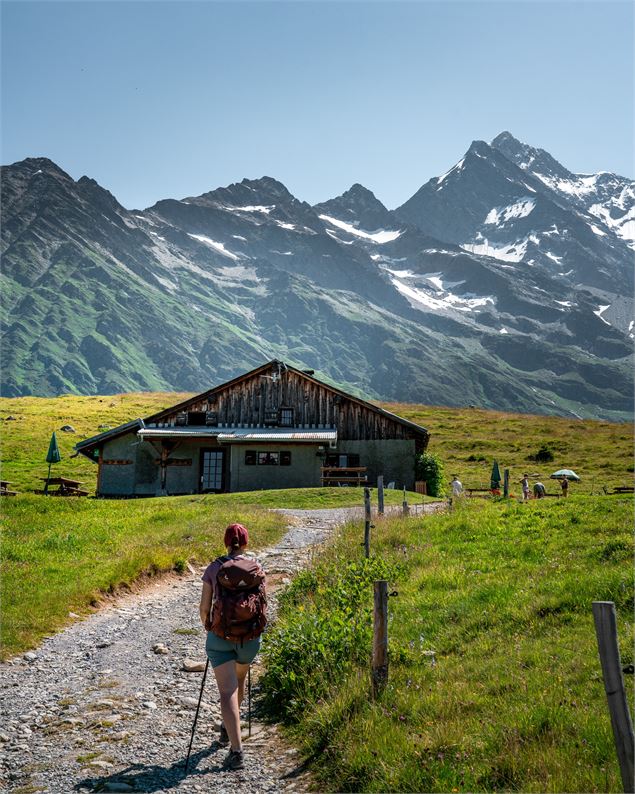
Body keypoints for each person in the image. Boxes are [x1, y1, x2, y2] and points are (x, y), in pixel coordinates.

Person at [199, 523, 266, 771]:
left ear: (225, 542)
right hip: (249, 640)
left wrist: (209, 626)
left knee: (227, 691)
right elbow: (263, 603)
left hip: (221, 639)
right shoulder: (257, 567)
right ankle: (231, 728)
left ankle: (236, 750)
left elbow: (204, 608)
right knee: (239, 682)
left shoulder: (214, 568)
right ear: (246, 543)